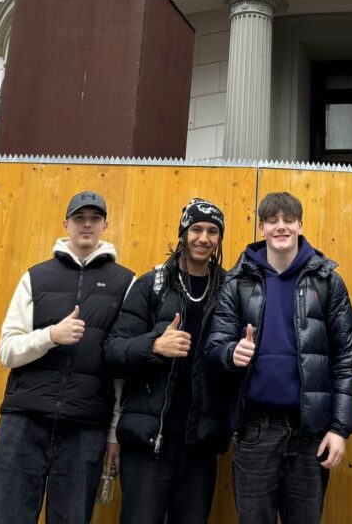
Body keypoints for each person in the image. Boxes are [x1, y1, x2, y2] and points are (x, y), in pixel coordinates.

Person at [205, 191, 352, 524]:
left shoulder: (327, 281)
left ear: (300, 225)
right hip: (255, 430)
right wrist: (231, 353)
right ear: (261, 228)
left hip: (311, 432)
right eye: (272, 221)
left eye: (288, 220)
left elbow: (347, 357)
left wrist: (339, 428)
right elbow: (213, 348)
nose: (281, 227)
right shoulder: (237, 282)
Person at [0, 190, 135, 524]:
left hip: (85, 427)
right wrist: (51, 336)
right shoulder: (35, 277)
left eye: (94, 218)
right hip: (24, 421)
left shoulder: (125, 282)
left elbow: (122, 372)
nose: (86, 224)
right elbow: (6, 350)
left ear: (105, 224)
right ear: (65, 223)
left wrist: (113, 434)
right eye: (79, 218)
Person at [104, 199, 233, 524]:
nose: (204, 238)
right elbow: (113, 351)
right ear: (183, 233)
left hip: (200, 441)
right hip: (150, 440)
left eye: (212, 231)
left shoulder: (229, 289)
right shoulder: (152, 285)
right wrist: (154, 345)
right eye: (197, 229)